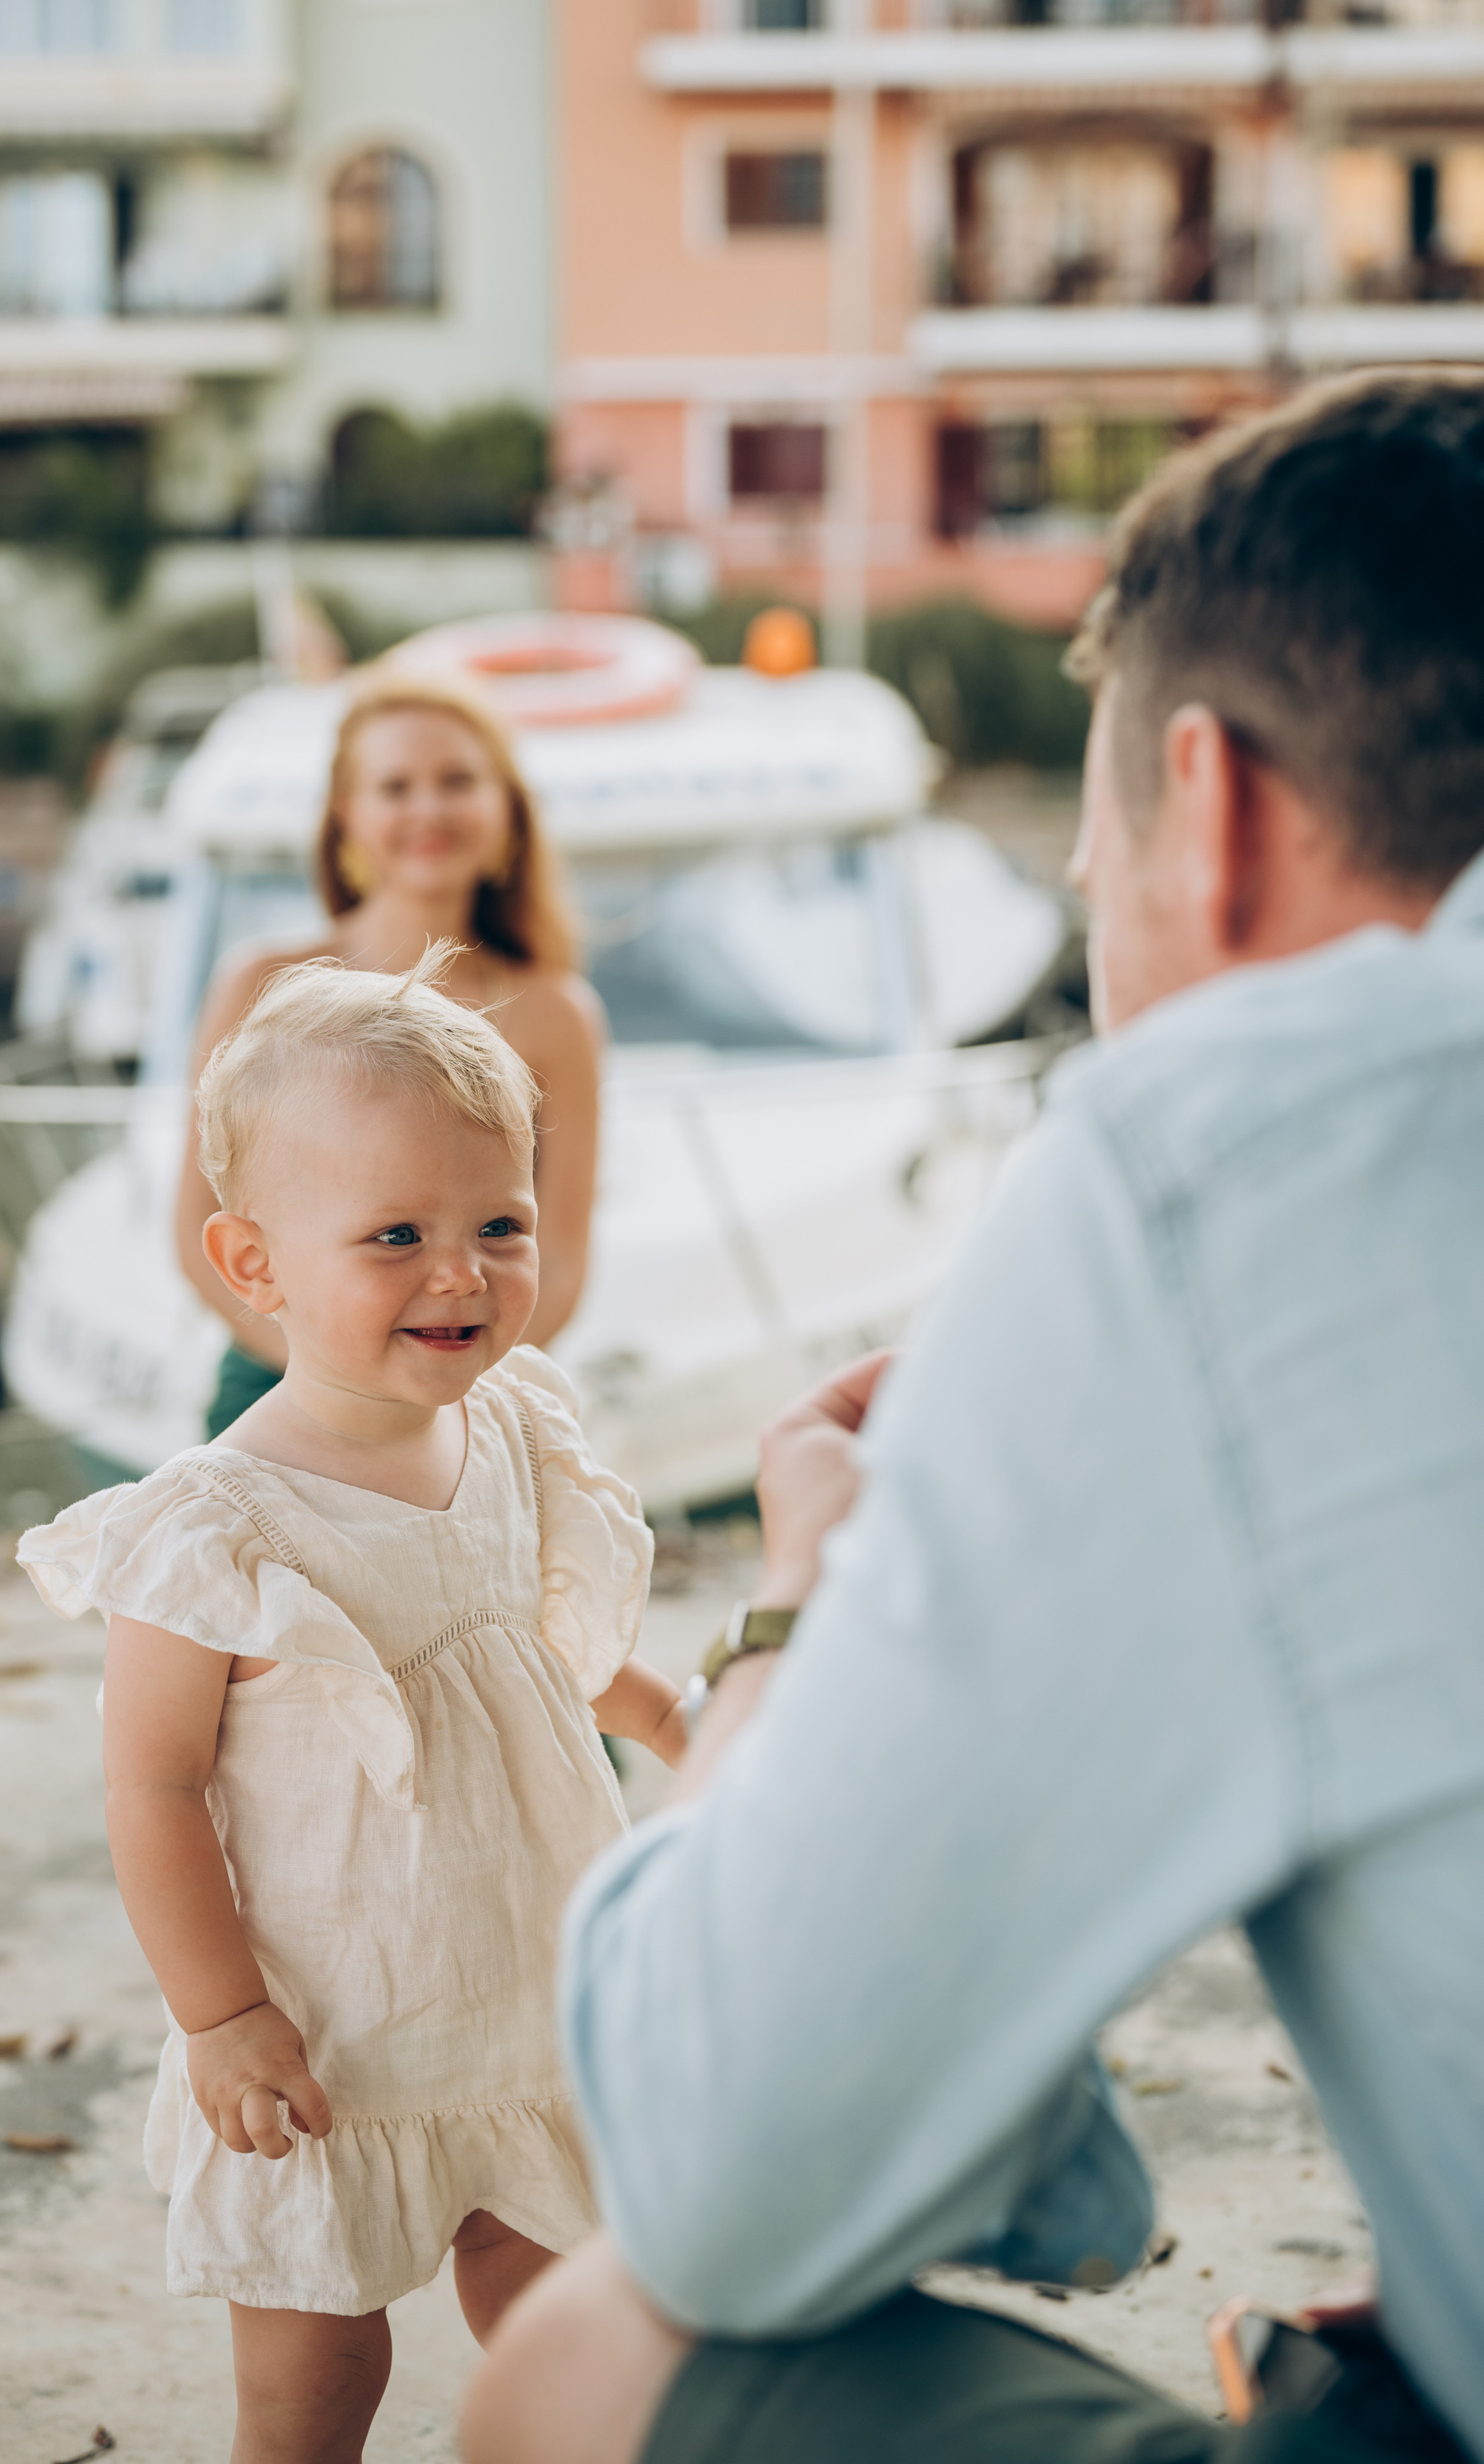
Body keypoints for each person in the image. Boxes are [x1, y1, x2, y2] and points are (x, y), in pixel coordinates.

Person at [462, 368, 1484, 2464]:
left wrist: (807, 1616)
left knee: (589, 2357)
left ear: (1213, 807)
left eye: (1094, 878)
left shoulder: (1237, 1149)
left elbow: (728, 2162)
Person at [19, 952, 687, 2464]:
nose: (461, 1271)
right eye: (396, 1234)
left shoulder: (510, 1425)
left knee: (564, 2304)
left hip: (519, 1986)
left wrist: (663, 1710)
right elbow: (154, 1787)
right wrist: (224, 2012)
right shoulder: (215, 1527)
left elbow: (527, 1631)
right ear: (253, 1265)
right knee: (318, 2366)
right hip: (335, 2029)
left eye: (495, 1225)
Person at [176, 673, 602, 1439]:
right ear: (347, 817)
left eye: (457, 781)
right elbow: (198, 1223)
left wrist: (440, 1379)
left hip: (465, 1390)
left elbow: (563, 1259)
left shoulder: (556, 1014)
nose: (428, 809)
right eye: (396, 786)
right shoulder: (257, 983)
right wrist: (345, 1383)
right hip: (280, 1388)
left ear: (507, 810)